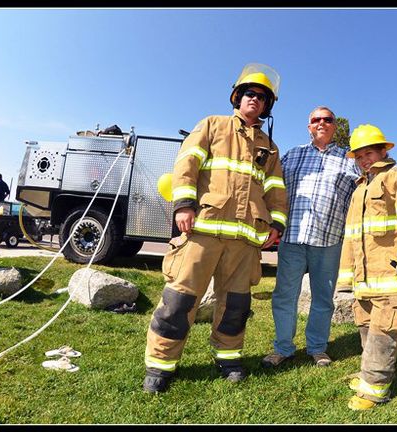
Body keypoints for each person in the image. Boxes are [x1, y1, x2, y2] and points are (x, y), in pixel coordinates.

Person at [142, 63, 288, 393]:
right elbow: (186, 165)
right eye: (250, 93)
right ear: (237, 97)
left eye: (263, 97)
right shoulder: (212, 125)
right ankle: (161, 364)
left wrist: (276, 224)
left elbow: (276, 190)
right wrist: (183, 205)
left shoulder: (270, 147)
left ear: (267, 106)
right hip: (202, 231)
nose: (256, 99)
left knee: (236, 306)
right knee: (179, 301)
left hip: (244, 242)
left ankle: (228, 358)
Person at [336, 124, 397, 410]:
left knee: (385, 329)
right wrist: (347, 276)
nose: (364, 159)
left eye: (369, 153)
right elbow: (352, 237)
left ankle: (375, 390)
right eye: (358, 156)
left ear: (383, 151)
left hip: (394, 276)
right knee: (367, 326)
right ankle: (370, 374)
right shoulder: (360, 189)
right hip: (366, 279)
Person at [261, 106, 361, 369]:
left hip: (329, 240)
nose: (321, 123)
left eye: (327, 120)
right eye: (316, 120)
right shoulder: (292, 155)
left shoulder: (349, 160)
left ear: (334, 126)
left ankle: (317, 348)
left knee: (323, 298)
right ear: (309, 126)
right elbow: (273, 191)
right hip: (292, 238)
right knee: (284, 296)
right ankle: (283, 348)